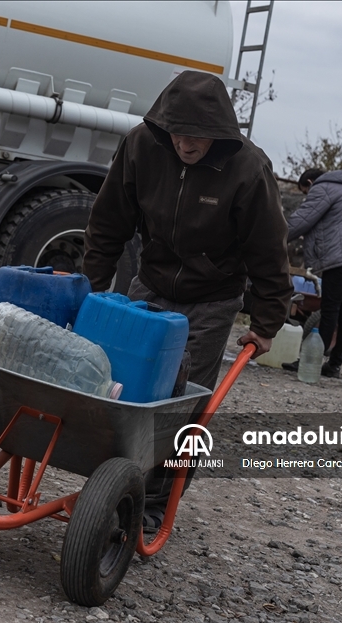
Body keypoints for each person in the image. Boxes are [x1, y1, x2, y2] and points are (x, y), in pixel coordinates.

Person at [83, 70, 293, 531]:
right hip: (151, 284)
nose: (186, 143)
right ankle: (113, 481)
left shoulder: (247, 168)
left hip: (212, 298)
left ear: (218, 132)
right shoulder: (142, 145)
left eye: (198, 135)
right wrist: (91, 285)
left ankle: (155, 503)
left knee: (183, 405)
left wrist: (267, 320)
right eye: (178, 132)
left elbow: (268, 250)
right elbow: (109, 221)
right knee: (121, 386)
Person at [282, 168, 342, 378]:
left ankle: (310, 360)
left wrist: (273, 238)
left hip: (339, 258)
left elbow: (303, 220)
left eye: (305, 192)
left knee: (330, 308)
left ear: (311, 182)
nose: (307, 196)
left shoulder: (323, 188)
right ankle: (335, 363)